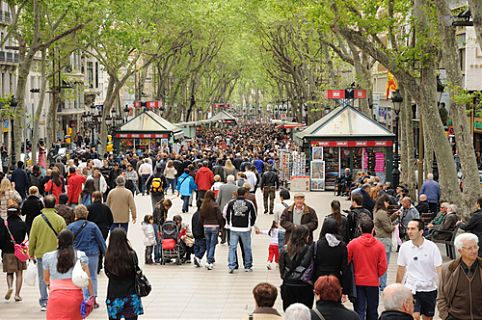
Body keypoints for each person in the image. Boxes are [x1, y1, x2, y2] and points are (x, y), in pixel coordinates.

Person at [42, 229, 94, 320]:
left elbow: (46, 279)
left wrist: (52, 286)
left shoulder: (48, 257)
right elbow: (87, 278)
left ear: (58, 241)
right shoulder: (80, 255)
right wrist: (92, 296)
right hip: (75, 297)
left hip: (56, 297)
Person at [396, 219, 442, 320]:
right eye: (408, 229)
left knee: (428, 318)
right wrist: (398, 288)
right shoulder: (404, 247)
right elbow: (401, 268)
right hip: (411, 288)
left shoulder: (432, 247)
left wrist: (443, 289)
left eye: (413, 229)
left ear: (421, 232)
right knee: (414, 317)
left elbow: (439, 269)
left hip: (429, 288)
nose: (409, 232)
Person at [29, 195, 67, 311]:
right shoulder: (60, 219)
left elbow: (32, 238)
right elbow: (65, 238)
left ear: (44, 205)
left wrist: (31, 252)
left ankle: (44, 301)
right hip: (56, 253)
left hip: (41, 253)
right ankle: (57, 298)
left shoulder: (37, 220)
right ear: (54, 204)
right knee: (57, 277)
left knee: (42, 278)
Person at [347, 217, 387, 320]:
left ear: (360, 229)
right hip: (373, 282)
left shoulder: (353, 244)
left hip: (358, 282)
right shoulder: (379, 246)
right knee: (372, 311)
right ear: (373, 229)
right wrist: (375, 274)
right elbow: (383, 266)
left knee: (359, 310)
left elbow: (346, 261)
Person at [437, 233, 482, 319]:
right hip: (455, 317)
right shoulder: (447, 269)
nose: (474, 251)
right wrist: (446, 317)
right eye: (469, 248)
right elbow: (441, 297)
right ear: (460, 250)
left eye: (475, 247)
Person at [68, 205, 106, 304]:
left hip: (77, 254)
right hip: (92, 253)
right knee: (92, 276)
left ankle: (83, 298)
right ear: (87, 214)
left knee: (79, 275)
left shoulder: (71, 226)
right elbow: (100, 241)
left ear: (75, 214)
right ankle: (92, 298)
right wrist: (106, 253)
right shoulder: (93, 226)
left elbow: (67, 241)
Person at [105, 228, 144, 320]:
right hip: (131, 293)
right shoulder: (132, 254)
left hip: (114, 294)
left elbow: (107, 272)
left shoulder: (108, 255)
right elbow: (136, 269)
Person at [312, 218, 350, 297]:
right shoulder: (341, 245)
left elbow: (314, 265)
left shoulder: (317, 245)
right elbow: (345, 268)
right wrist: (345, 290)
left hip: (320, 279)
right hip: (336, 278)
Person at [279, 225, 314, 310]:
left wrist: (285, 276)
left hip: (289, 283)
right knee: (305, 312)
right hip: (305, 284)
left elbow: (281, 267)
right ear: (305, 236)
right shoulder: (310, 250)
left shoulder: (284, 249)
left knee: (289, 311)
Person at [226, 187, 257, 273]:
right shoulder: (249, 203)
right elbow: (254, 215)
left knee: (232, 247)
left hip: (234, 228)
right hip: (245, 228)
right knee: (247, 247)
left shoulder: (231, 203)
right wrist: (251, 224)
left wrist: (229, 223)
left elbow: (228, 214)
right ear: (245, 194)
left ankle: (231, 265)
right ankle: (247, 266)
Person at [2, 204, 27, 302]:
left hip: (7, 251)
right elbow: (24, 236)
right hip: (19, 251)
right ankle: (17, 294)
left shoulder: (5, 223)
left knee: (9, 272)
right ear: (18, 212)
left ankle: (10, 287)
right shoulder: (22, 223)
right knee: (19, 273)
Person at [373, 194, 398, 292]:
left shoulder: (377, 212)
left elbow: (386, 221)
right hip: (384, 240)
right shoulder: (382, 213)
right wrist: (394, 227)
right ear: (384, 202)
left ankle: (380, 284)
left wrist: (394, 216)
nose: (388, 204)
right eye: (387, 202)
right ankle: (382, 285)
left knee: (379, 263)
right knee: (384, 264)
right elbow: (388, 228)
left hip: (379, 239)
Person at [87, 191, 113, 273]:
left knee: (94, 245)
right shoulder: (105, 208)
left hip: (92, 228)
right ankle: (100, 264)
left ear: (93, 198)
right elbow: (111, 219)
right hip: (103, 229)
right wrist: (108, 227)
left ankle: (96, 265)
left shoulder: (89, 208)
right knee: (101, 245)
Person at [199, 190, 224, 270]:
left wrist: (203, 224)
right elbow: (219, 217)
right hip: (214, 225)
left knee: (208, 243)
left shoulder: (203, 205)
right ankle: (209, 260)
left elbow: (201, 217)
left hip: (206, 225)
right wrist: (221, 226)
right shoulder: (215, 205)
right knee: (212, 244)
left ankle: (209, 258)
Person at [217, 174, 238, 243]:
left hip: (223, 207)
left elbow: (219, 198)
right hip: (233, 208)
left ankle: (223, 238)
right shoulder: (236, 188)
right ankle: (230, 239)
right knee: (231, 224)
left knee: (223, 224)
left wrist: (217, 206)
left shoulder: (222, 187)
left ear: (227, 180)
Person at [152, 198, 172, 263]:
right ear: (166, 205)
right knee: (158, 241)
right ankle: (157, 257)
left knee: (160, 241)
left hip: (159, 224)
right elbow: (158, 219)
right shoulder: (159, 209)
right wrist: (160, 230)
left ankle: (161, 256)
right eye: (168, 208)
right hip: (156, 225)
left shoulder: (162, 208)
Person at [191, 199, 206, 267]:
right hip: (201, 233)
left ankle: (196, 259)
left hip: (195, 233)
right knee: (203, 246)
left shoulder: (195, 214)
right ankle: (198, 257)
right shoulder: (202, 214)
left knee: (196, 246)